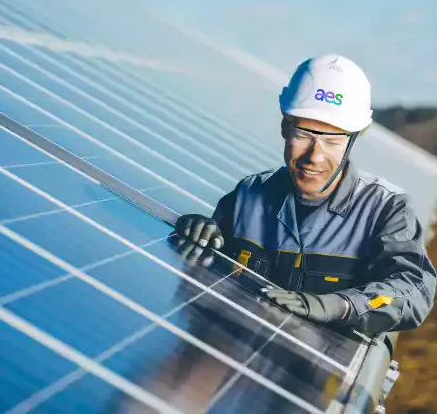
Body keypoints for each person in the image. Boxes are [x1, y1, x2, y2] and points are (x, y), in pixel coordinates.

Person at [175, 54, 436, 337]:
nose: (315, 156)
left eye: (333, 140)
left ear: (355, 139)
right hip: (231, 356)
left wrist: (343, 306)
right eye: (303, 134)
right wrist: (202, 236)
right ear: (285, 126)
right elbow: (200, 291)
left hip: (317, 377)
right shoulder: (248, 195)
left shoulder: (386, 210)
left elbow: (412, 290)